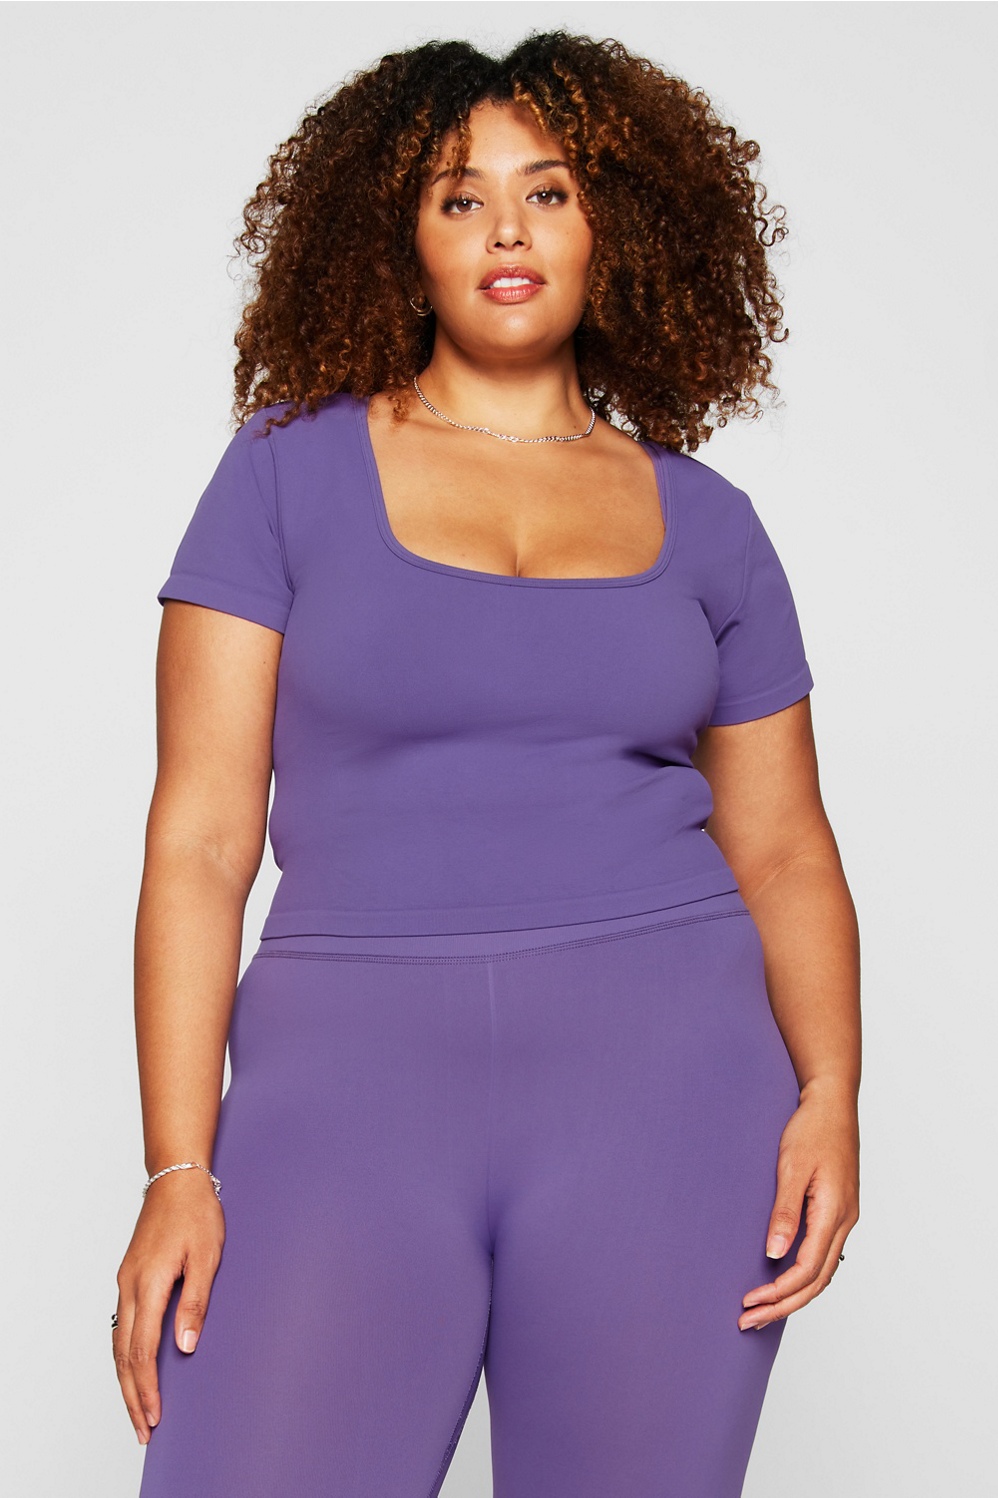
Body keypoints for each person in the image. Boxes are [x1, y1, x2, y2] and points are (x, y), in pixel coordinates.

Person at [114, 30, 861, 1498]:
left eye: (549, 192)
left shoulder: (710, 523)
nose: (507, 230)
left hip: (671, 1092)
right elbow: (198, 841)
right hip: (344, 1091)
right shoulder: (283, 472)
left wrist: (831, 1088)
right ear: (398, 238)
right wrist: (176, 1166)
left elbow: (783, 847)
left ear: (612, 229)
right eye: (460, 198)